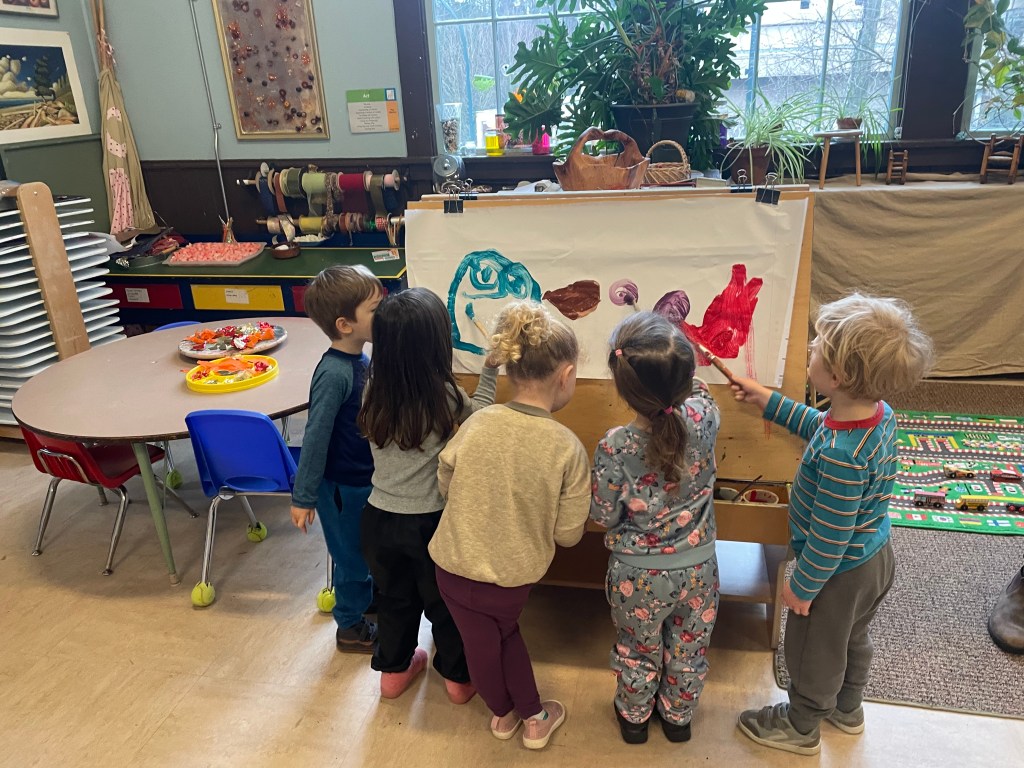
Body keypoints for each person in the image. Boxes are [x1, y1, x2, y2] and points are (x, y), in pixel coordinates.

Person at [731, 294, 932, 756]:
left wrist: (803, 586)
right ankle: (847, 708)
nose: (810, 347)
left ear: (837, 377)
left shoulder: (842, 460)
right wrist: (769, 402)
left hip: (837, 572)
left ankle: (802, 725)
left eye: (818, 345)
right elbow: (821, 425)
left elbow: (830, 535)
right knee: (851, 637)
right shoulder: (875, 415)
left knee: (813, 649)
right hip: (874, 557)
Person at [429, 301, 590, 750]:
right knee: (504, 635)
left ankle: (503, 714)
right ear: (566, 376)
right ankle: (534, 718)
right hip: (509, 579)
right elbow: (568, 535)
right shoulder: (567, 447)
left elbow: (444, 480)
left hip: (450, 568)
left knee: (480, 644)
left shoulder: (478, 421)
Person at [357, 287, 498, 702]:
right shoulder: (443, 393)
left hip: (378, 519)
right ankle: (457, 681)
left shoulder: (372, 389)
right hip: (432, 522)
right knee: (446, 605)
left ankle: (393, 674)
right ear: (435, 344)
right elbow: (480, 420)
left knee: (393, 600)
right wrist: (490, 370)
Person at [590, 312, 722, 745]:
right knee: (689, 650)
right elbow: (698, 390)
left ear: (623, 388)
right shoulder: (705, 417)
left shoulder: (614, 445)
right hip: (699, 570)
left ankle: (634, 720)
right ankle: (678, 719)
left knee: (637, 649)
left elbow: (602, 515)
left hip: (637, 575)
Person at [289, 265, 382, 653]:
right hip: (341, 487)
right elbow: (315, 437)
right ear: (345, 325)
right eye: (375, 310)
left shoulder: (360, 358)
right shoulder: (333, 373)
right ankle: (350, 625)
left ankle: (366, 600)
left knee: (366, 549)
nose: (383, 313)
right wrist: (303, 497)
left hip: (363, 481)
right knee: (351, 557)